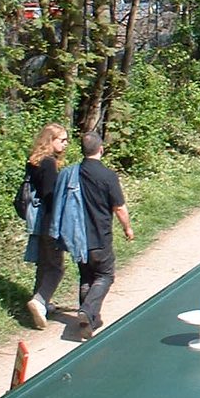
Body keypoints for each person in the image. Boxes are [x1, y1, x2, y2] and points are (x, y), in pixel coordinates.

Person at [71, 132, 133, 340]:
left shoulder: (73, 174)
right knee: (105, 276)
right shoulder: (107, 176)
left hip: (78, 236)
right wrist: (127, 228)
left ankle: (90, 319)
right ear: (101, 149)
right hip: (100, 236)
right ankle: (87, 312)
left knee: (87, 276)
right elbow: (119, 208)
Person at [23, 123, 70, 330]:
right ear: (50, 140)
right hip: (49, 220)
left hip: (37, 220)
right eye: (62, 140)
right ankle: (40, 301)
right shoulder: (49, 164)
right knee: (56, 267)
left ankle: (42, 300)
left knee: (44, 262)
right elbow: (51, 195)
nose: (66, 144)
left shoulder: (34, 161)